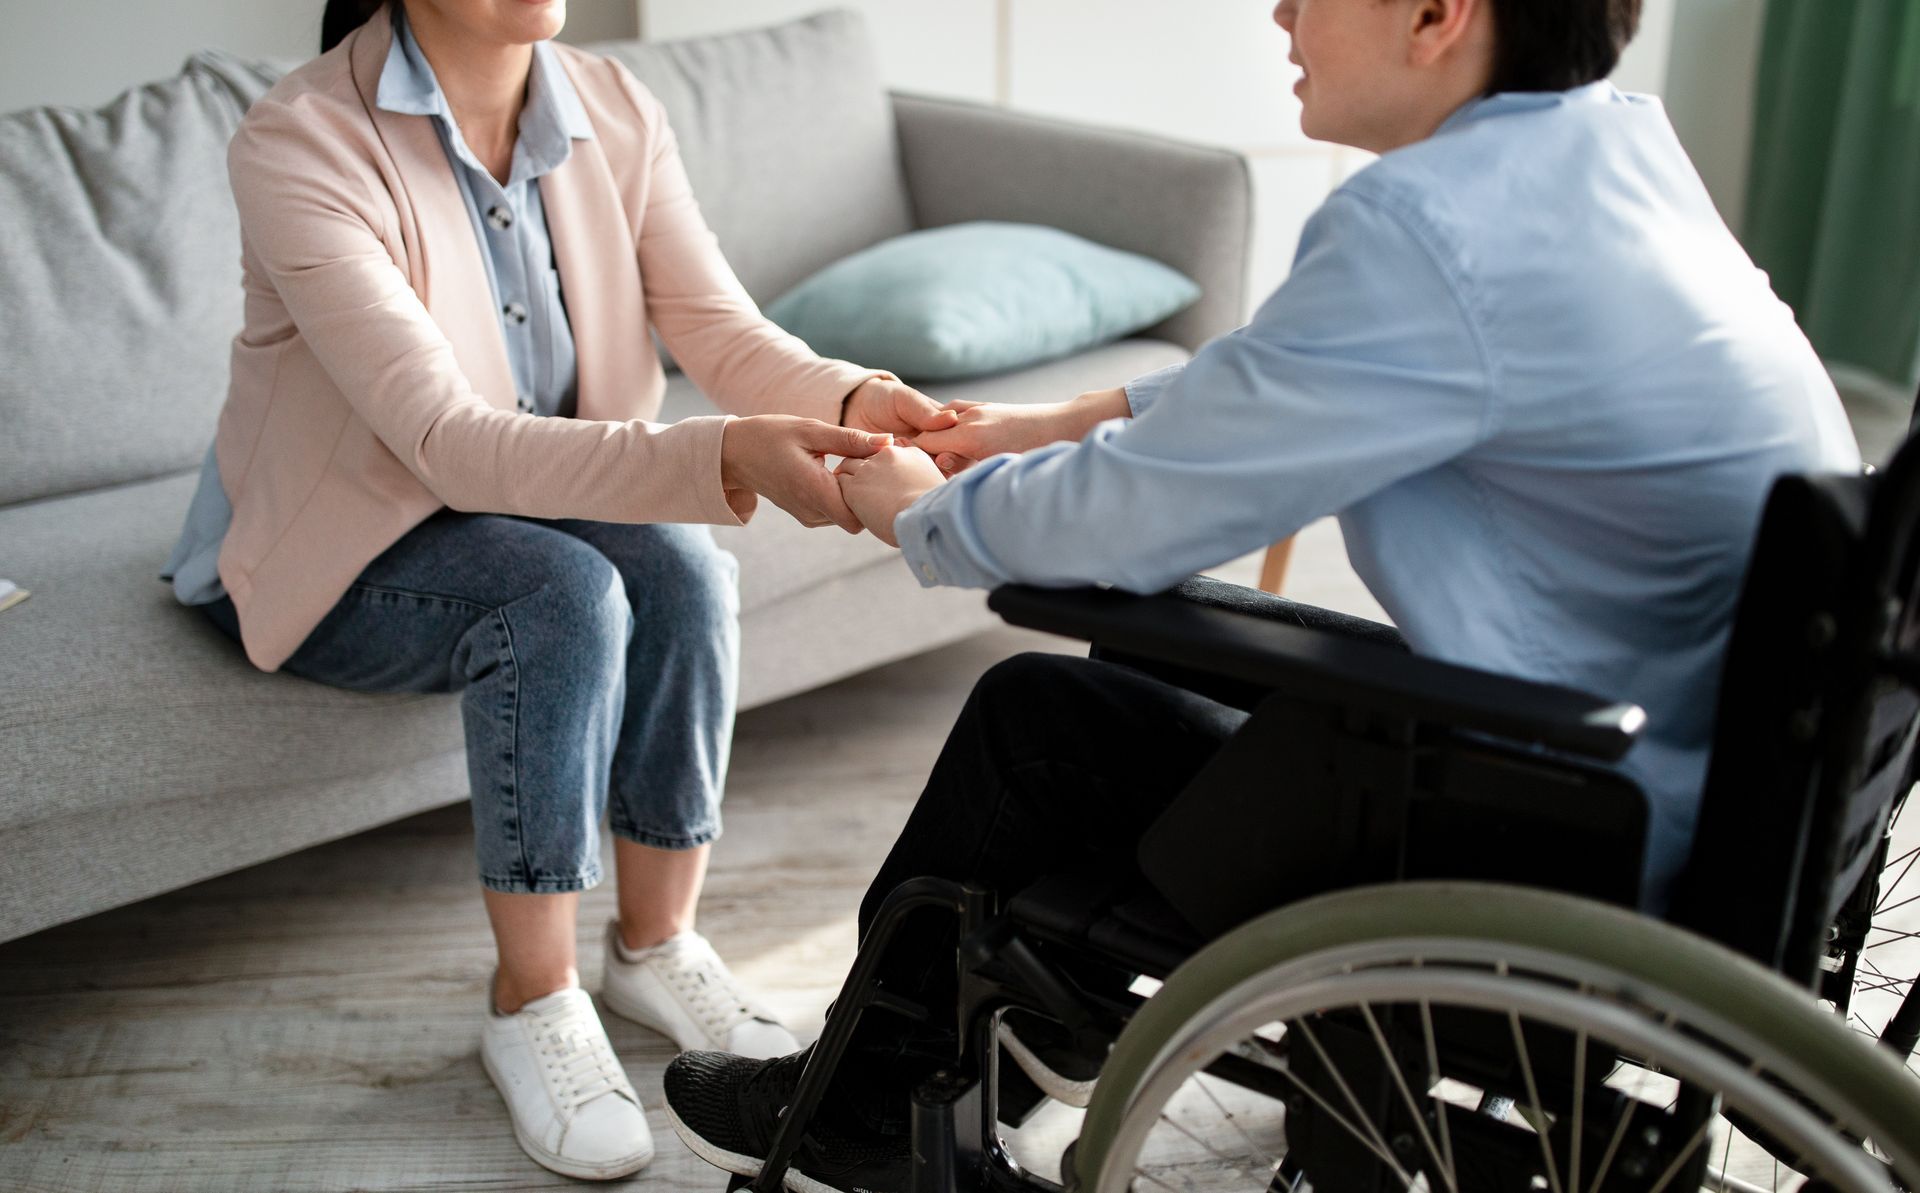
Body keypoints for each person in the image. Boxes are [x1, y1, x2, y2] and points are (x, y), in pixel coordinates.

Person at [660, 0, 1864, 1188]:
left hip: (1574, 835)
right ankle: (1049, 1020)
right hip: (1715, 793)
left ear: (1438, 15)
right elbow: (1313, 374)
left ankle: (871, 1103)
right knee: (1157, 649)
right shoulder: (1610, 150)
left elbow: (1129, 518)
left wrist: (912, 510)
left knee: (1036, 718)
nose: (1280, 13)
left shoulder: (1427, 224)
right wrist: (1071, 417)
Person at [156, 0, 956, 1180]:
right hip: (331, 541)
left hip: (525, 494)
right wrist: (721, 454)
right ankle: (532, 1000)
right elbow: (447, 440)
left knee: (682, 560)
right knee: (561, 592)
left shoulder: (613, 105)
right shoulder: (301, 140)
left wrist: (850, 398)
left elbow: (714, 326)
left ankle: (655, 942)